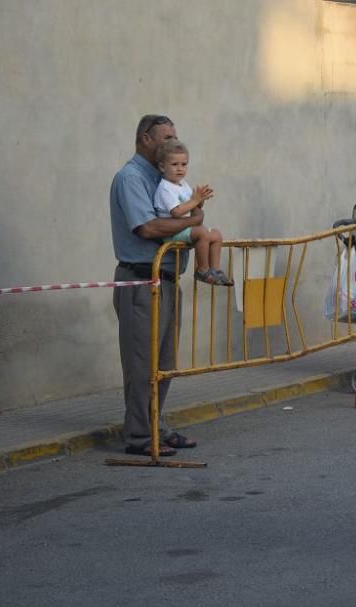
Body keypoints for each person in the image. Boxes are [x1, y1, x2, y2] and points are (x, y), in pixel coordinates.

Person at [110, 115, 200, 457]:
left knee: (164, 362)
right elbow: (147, 228)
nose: (172, 141)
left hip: (166, 278)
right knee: (141, 363)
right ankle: (138, 436)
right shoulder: (131, 178)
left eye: (174, 136)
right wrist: (193, 220)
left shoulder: (165, 178)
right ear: (146, 139)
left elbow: (190, 215)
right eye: (166, 136)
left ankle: (156, 426)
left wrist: (192, 218)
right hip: (141, 280)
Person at [153, 140, 231, 286]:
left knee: (216, 234)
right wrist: (195, 201)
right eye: (174, 164)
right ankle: (202, 270)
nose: (180, 169)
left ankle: (214, 270)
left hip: (184, 228)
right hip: (171, 232)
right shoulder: (165, 188)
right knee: (202, 232)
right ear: (162, 166)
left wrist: (200, 199)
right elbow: (176, 211)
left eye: (184, 164)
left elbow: (194, 205)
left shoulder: (183, 184)